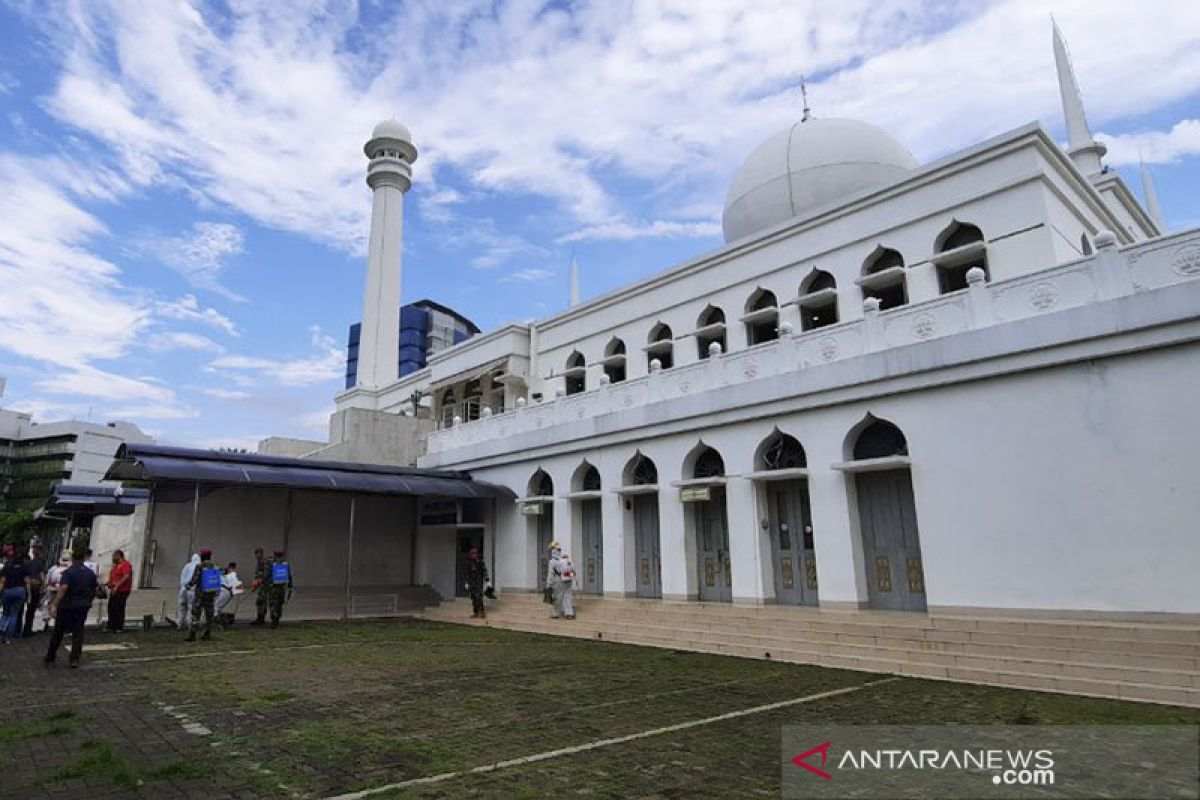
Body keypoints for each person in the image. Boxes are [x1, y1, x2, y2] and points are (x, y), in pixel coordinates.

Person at [44, 550, 99, 668]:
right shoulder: (90, 573)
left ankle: (50, 657)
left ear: (73, 559)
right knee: (78, 632)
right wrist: (89, 601)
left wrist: (54, 604)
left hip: (67, 606)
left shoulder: (68, 572)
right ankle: (74, 659)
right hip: (82, 606)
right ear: (84, 558)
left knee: (58, 631)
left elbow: (63, 588)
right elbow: (94, 589)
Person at [185, 549, 221, 642]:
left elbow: (195, 579)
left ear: (202, 556)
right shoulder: (214, 567)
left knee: (196, 614)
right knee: (209, 615)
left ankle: (192, 634)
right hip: (210, 595)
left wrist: (188, 585)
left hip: (200, 595)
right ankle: (207, 633)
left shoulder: (200, 566)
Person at [38, 553, 71, 630]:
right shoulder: (70, 569)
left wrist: (46, 587)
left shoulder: (53, 569)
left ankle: (46, 623)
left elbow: (47, 580)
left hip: (53, 589)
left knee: (48, 606)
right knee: (61, 607)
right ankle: (61, 624)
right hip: (64, 591)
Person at [21, 542, 47, 637]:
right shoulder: (39, 562)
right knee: (31, 610)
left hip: (29, 587)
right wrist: (44, 587)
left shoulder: (31, 562)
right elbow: (42, 576)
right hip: (35, 587)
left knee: (29, 609)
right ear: (40, 551)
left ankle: (26, 629)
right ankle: (27, 630)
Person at [105, 550, 133, 632]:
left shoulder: (125, 564)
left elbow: (126, 576)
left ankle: (118, 627)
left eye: (114, 556)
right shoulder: (115, 566)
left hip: (122, 590)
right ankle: (111, 625)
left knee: (119, 608)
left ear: (119, 556)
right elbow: (113, 578)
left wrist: (117, 585)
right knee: (111, 607)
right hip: (114, 589)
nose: (113, 558)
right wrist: (106, 584)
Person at [546, 544, 576, 620]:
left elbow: (551, 573)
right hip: (568, 579)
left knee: (557, 598)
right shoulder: (564, 559)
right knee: (567, 597)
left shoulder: (552, 561)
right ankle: (569, 614)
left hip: (559, 581)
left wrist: (549, 583)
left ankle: (555, 614)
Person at [266, 549, 293, 628]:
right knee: (279, 604)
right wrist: (290, 585)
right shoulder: (285, 564)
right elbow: (289, 575)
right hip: (281, 588)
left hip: (273, 588)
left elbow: (267, 575)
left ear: (274, 555)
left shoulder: (272, 564)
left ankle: (274, 620)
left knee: (273, 604)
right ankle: (277, 619)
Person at [463, 546, 489, 619]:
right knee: (473, 598)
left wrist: (487, 581)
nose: (474, 555)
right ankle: (476, 612)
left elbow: (484, 571)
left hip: (478, 583)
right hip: (472, 583)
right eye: (472, 553)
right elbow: (466, 573)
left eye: (475, 553)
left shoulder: (480, 562)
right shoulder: (468, 563)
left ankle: (482, 612)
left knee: (479, 597)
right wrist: (466, 582)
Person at [215, 562, 243, 628]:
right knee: (218, 608)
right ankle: (222, 620)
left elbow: (237, 586)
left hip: (224, 592)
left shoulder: (231, 574)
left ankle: (221, 623)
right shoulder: (227, 574)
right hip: (226, 592)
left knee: (215, 607)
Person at [177, 554, 200, 630]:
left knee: (182, 607)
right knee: (191, 608)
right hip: (192, 590)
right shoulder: (198, 567)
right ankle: (189, 624)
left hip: (183, 590)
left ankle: (180, 624)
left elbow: (181, 578)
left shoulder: (186, 566)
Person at [250, 548, 269, 625]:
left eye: (258, 554)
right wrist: (255, 586)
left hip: (264, 585)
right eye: (256, 554)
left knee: (261, 601)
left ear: (261, 554)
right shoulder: (259, 562)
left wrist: (259, 581)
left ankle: (261, 618)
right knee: (259, 601)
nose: (256, 556)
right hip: (260, 585)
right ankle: (260, 617)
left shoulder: (264, 562)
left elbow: (265, 574)